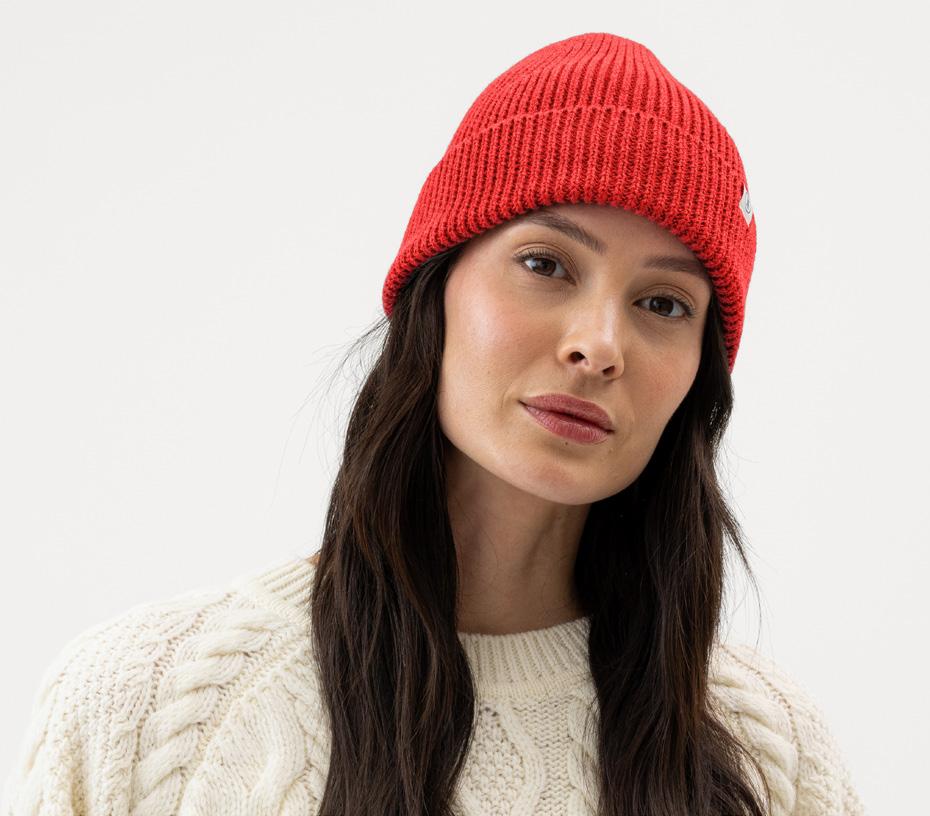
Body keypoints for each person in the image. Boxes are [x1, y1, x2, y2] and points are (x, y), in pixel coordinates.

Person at [2, 32, 866, 816]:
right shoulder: (146, 706)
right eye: (545, 264)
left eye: (664, 303)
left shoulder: (769, 754)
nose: (600, 345)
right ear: (435, 290)